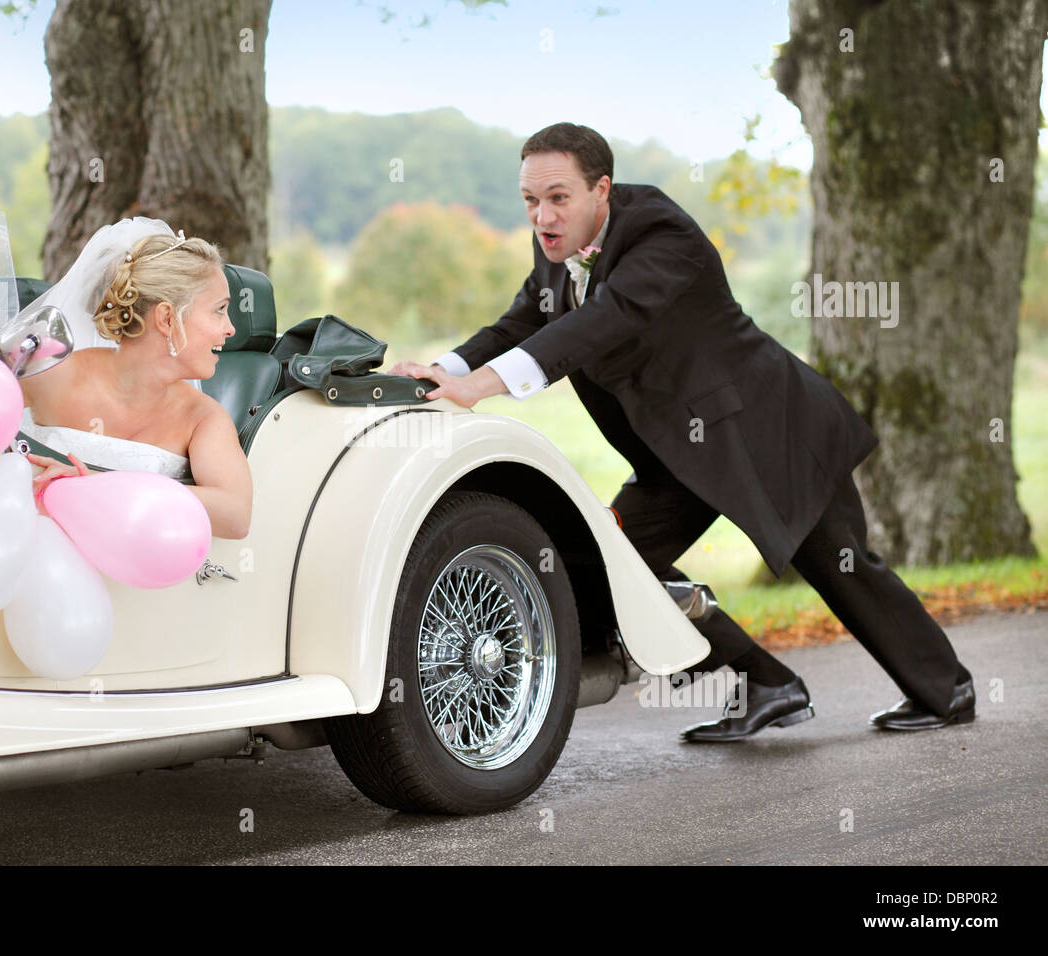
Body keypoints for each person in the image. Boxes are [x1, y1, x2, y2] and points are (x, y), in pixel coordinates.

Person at [390, 122, 974, 740]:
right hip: (675, 453)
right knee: (605, 563)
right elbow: (523, 320)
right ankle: (765, 684)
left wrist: (484, 387)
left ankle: (948, 690)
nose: (542, 215)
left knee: (840, 566)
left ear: (602, 190)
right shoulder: (557, 245)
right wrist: (444, 370)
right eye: (531, 200)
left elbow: (603, 322)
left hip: (768, 430)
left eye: (558, 197)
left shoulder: (664, 236)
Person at [18, 221, 252, 540]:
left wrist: (100, 485)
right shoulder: (48, 376)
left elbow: (235, 516)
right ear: (168, 319)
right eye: (219, 311)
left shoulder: (203, 419)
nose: (230, 329)